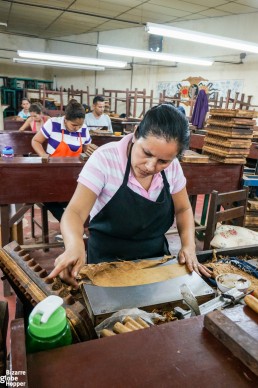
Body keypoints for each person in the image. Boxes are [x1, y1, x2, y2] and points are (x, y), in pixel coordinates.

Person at [48, 103, 211, 287]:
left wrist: (188, 245)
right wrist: (74, 245)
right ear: (135, 134)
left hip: (155, 262)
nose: (150, 167)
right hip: (105, 263)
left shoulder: (173, 168)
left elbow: (183, 209)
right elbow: (75, 213)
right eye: (146, 153)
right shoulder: (105, 159)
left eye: (163, 161)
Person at [31, 100, 92, 222]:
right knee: (47, 198)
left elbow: (86, 149)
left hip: (75, 175)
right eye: (74, 125)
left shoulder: (83, 129)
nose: (77, 128)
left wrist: (91, 150)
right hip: (53, 173)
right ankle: (69, 223)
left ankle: (77, 225)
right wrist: (43, 154)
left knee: (84, 198)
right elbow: (35, 141)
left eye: (80, 125)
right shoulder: (53, 124)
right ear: (65, 119)